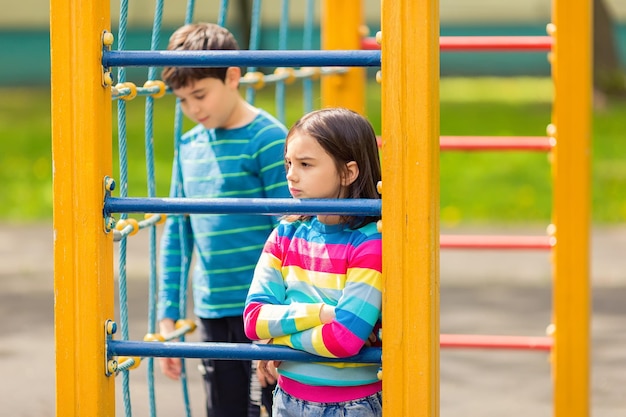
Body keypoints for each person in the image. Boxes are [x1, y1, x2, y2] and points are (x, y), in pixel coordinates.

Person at [156, 22, 287, 417]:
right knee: (223, 409)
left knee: (271, 404)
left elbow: (289, 231)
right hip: (213, 307)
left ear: (233, 77)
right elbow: (178, 232)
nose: (193, 108)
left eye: (199, 94)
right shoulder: (189, 146)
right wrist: (168, 313)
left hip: (265, 308)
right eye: (182, 100)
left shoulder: (267, 139)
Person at [243, 107, 383, 417]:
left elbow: (344, 340)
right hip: (287, 397)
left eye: (306, 164)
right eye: (289, 163)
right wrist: (323, 313)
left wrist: (278, 340)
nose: (291, 175)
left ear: (348, 172)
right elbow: (253, 320)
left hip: (351, 405)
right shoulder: (286, 232)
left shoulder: (370, 242)